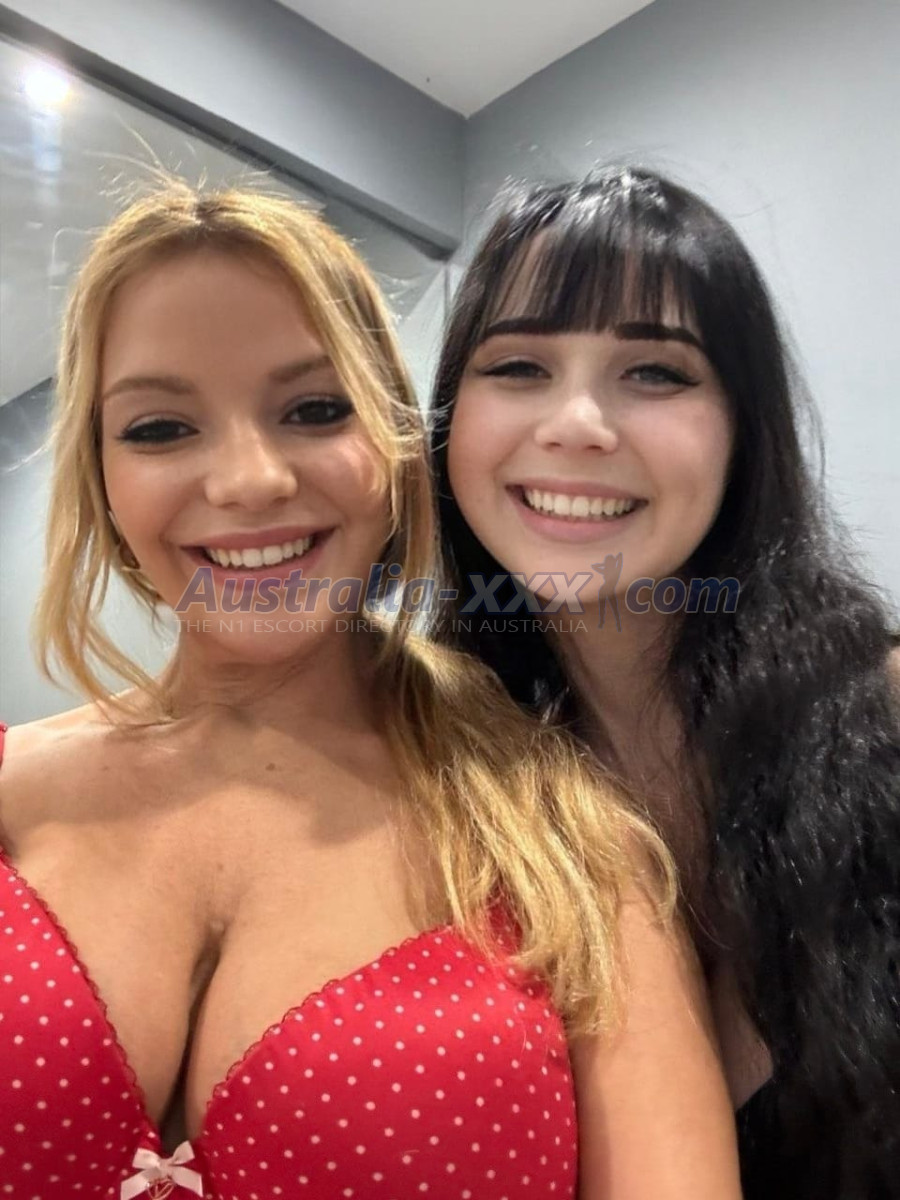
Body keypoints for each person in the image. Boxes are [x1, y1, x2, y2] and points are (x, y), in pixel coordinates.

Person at [0, 181, 742, 1199]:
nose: (248, 480)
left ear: (398, 445)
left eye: (315, 410)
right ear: (101, 477)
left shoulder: (573, 844)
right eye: (160, 428)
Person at [431, 167, 900, 1200]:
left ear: (743, 428)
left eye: (654, 372)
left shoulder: (886, 716)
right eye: (518, 366)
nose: (578, 423)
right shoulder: (451, 796)